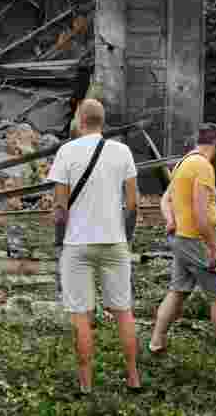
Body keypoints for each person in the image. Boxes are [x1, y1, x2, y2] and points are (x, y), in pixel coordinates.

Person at [49, 99, 141, 395]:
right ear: (102, 121)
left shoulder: (66, 152)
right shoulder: (122, 151)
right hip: (114, 242)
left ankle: (86, 385)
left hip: (77, 244)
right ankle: (133, 378)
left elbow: (61, 208)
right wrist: (125, 237)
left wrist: (59, 241)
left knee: (81, 315)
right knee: (123, 311)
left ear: (79, 120)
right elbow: (133, 204)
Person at [149, 122, 216, 358]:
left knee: (178, 290)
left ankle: (157, 341)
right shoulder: (202, 166)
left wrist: (170, 219)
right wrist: (212, 246)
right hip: (195, 240)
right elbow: (201, 214)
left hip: (180, 238)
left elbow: (165, 199)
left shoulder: (183, 162)